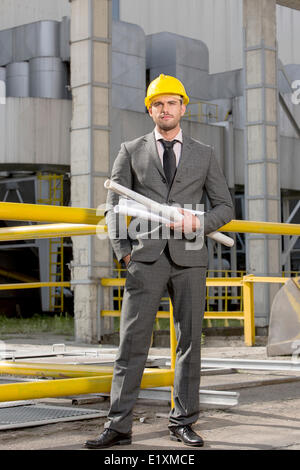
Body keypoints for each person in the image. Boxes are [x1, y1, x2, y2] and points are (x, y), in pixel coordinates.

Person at [85, 74, 234, 449]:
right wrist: (125, 253)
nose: (164, 110)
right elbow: (115, 206)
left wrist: (199, 223)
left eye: (171, 103)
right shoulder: (131, 149)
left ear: (183, 107)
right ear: (149, 109)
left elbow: (225, 206)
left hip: (190, 259)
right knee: (132, 343)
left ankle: (183, 422)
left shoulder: (205, 153)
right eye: (157, 104)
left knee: (189, 343)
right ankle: (118, 425)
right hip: (145, 260)